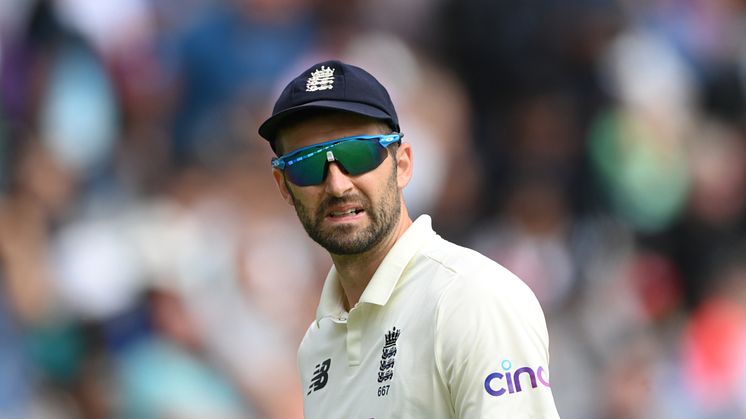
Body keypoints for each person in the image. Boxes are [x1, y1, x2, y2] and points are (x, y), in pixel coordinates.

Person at [257, 60, 560, 418]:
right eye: (307, 164)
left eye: (358, 153)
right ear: (285, 187)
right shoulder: (317, 345)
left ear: (402, 163)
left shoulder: (471, 298)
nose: (337, 185)